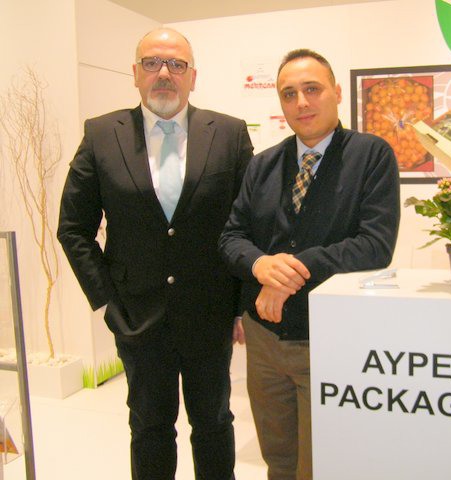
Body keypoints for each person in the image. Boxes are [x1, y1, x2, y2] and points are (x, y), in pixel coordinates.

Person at [57, 28, 253, 480]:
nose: (164, 73)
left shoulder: (229, 133)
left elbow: (247, 225)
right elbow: (74, 229)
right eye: (152, 62)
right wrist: (105, 301)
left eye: (176, 64)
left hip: (210, 313)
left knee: (214, 423)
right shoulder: (101, 134)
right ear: (135, 73)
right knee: (149, 429)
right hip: (137, 316)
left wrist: (240, 305)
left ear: (193, 76)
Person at [218, 49, 400, 479]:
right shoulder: (263, 164)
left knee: (320, 464)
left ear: (336, 92)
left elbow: (375, 246)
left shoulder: (372, 156)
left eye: (312, 89)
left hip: (330, 338)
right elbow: (231, 237)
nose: (301, 102)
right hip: (265, 341)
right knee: (278, 460)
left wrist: (290, 271)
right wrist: (261, 266)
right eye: (289, 93)